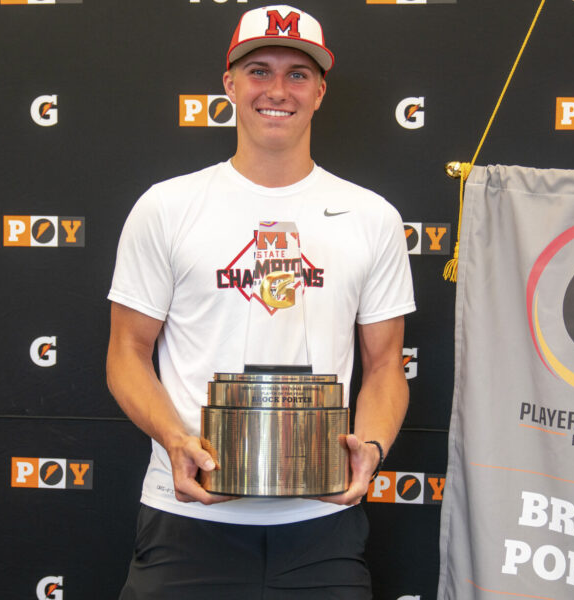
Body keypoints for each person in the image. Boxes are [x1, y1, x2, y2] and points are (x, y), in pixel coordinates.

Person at [106, 4, 415, 598]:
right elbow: (126, 352)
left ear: (320, 92)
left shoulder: (372, 216)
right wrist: (174, 438)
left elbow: (385, 366)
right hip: (187, 520)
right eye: (259, 71)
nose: (278, 90)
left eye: (298, 74)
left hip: (321, 527)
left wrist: (371, 447)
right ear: (229, 83)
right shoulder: (167, 207)